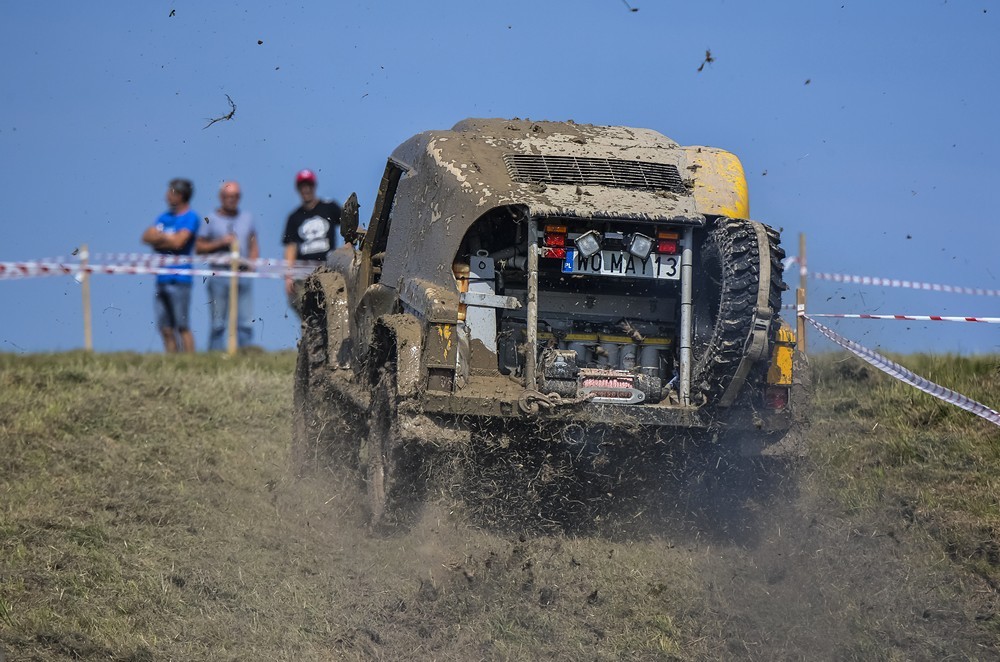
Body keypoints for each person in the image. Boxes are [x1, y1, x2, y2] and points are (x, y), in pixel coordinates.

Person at [196, 181, 260, 351]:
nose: (232, 200)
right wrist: (220, 243)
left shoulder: (247, 218)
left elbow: (253, 242)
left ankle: (245, 355)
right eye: (228, 196)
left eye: (235, 196)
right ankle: (215, 357)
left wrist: (253, 262)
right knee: (218, 322)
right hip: (219, 274)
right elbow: (199, 247)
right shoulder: (210, 219)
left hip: (243, 274)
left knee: (245, 321)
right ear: (221, 197)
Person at [141, 178, 200, 353]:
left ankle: (190, 364)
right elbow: (146, 237)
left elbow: (179, 243)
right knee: (165, 328)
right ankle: (173, 363)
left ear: (180, 195)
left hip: (181, 279)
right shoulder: (163, 217)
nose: (166, 196)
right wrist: (169, 238)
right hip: (162, 278)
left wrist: (159, 239)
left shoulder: (191, 217)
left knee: (182, 326)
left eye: (170, 192)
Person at [282, 169, 342, 318]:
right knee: (307, 315)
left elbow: (348, 226)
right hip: (302, 275)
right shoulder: (294, 217)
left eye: (308, 185)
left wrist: (348, 247)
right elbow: (290, 247)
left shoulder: (329, 207)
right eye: (302, 186)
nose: (306, 189)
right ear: (298, 189)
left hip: (328, 270)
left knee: (332, 310)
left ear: (314, 186)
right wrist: (288, 276)